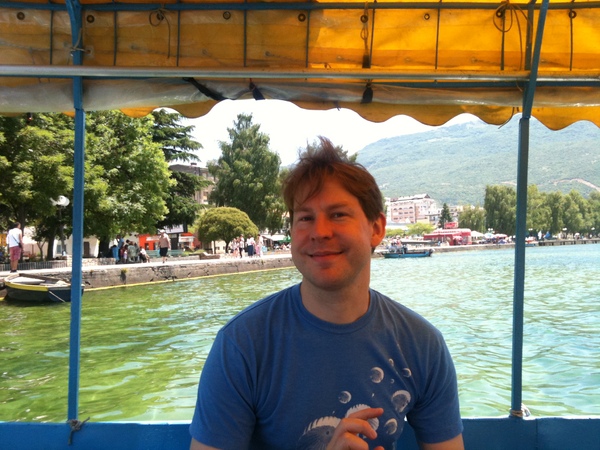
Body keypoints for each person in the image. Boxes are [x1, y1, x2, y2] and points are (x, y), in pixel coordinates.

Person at [189, 137, 464, 450]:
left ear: (376, 228)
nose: (319, 232)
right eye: (305, 218)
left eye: (337, 215)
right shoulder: (242, 346)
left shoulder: (422, 345)